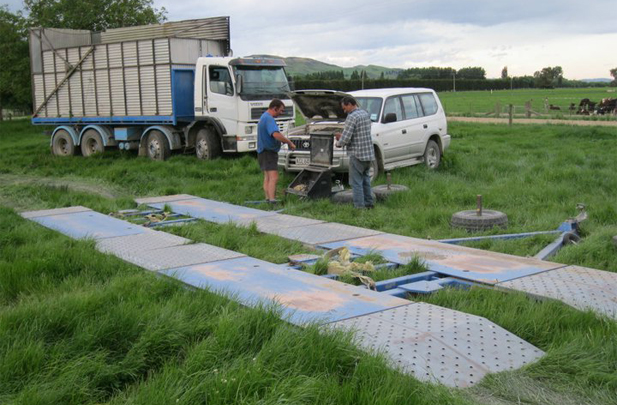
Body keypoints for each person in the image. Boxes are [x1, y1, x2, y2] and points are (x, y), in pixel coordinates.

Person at [335, 96, 375, 209]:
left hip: (357, 154)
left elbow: (346, 138)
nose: (344, 110)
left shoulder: (352, 117)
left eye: (344, 108)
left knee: (356, 183)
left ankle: (359, 208)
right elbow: (359, 133)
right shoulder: (365, 113)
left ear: (349, 104)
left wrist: (339, 141)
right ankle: (369, 204)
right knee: (366, 181)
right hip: (369, 154)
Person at [257, 99, 296, 202]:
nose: (281, 113)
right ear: (275, 108)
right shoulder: (269, 119)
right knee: (274, 177)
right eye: (281, 110)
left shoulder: (263, 117)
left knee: (268, 177)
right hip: (268, 153)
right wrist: (289, 142)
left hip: (262, 152)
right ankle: (272, 201)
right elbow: (275, 134)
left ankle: (268, 198)